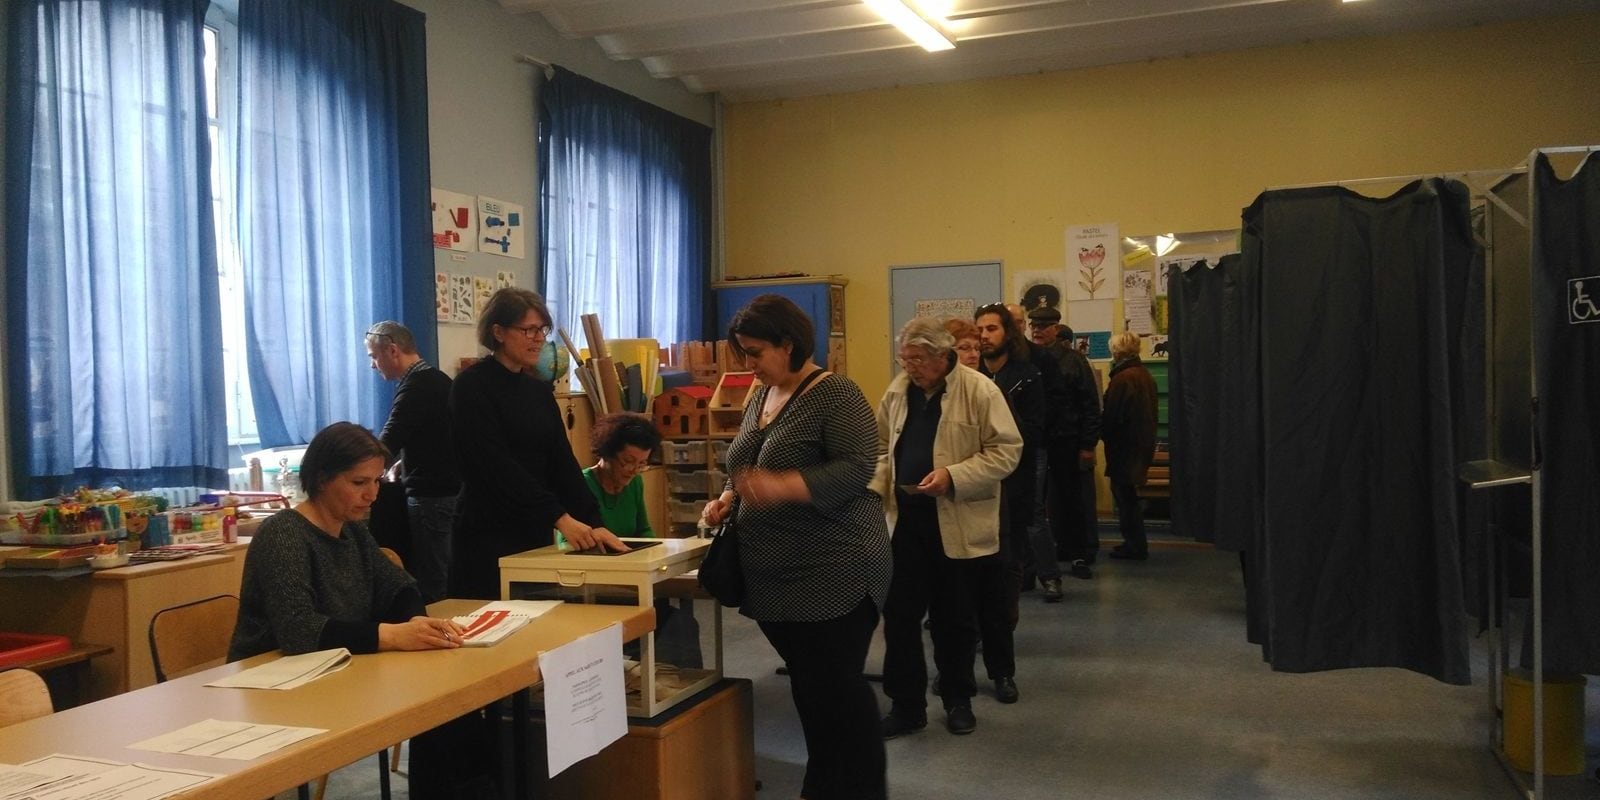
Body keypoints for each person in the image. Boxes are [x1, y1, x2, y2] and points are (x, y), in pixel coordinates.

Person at [229, 422, 494, 798]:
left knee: (452, 709)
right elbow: (299, 630)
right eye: (358, 483)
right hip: (274, 688)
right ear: (322, 479)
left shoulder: (351, 530)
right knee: (444, 716)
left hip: (335, 670)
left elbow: (399, 585)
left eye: (376, 481)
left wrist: (417, 621)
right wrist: (393, 635)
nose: (372, 495)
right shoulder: (283, 534)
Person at [700, 294, 890, 800]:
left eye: (755, 352)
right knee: (811, 690)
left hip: (835, 570)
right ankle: (824, 786)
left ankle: (858, 791)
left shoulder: (836, 394)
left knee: (838, 693)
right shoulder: (762, 396)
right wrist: (727, 497)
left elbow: (857, 467)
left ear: (788, 344)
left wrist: (783, 486)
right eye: (743, 352)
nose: (748, 364)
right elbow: (745, 463)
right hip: (776, 577)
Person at [875, 317, 1021, 739]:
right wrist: (875, 488)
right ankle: (906, 706)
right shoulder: (897, 391)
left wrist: (953, 476)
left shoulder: (980, 390)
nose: (909, 367)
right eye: (904, 359)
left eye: (917, 359)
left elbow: (1006, 451)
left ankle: (958, 700)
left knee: (954, 618)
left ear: (942, 356)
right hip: (906, 524)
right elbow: (880, 448)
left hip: (956, 519)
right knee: (899, 617)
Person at [448, 288, 625, 600]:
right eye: (528, 330)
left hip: (533, 530)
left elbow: (561, 462)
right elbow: (494, 466)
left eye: (542, 329)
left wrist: (593, 521)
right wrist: (559, 517)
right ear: (498, 332)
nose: (538, 339)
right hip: (487, 532)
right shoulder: (471, 387)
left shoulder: (538, 392)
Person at [580, 412, 702, 667]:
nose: (634, 470)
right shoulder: (582, 484)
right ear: (607, 453)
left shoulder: (634, 484)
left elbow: (643, 531)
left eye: (642, 464)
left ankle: (672, 680)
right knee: (670, 624)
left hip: (632, 581)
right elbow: (568, 545)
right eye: (628, 462)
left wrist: (657, 555)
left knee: (683, 623)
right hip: (595, 588)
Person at [973, 304, 1043, 701]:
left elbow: (1034, 431)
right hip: (972, 492)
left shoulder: (1027, 376)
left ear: (1007, 333)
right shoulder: (969, 379)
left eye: (991, 329)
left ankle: (1002, 668)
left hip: (1012, 487)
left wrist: (1002, 427)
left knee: (1004, 574)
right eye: (979, 330)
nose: (984, 336)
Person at [365, 320, 460, 604]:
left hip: (432, 497)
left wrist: (359, 472)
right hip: (450, 492)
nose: (373, 365)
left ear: (392, 350)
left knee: (433, 584)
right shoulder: (438, 379)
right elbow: (434, 437)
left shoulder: (415, 387)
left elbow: (389, 441)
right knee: (445, 575)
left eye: (374, 356)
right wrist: (402, 463)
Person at [1027, 308, 1103, 582]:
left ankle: (1079, 554)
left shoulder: (1074, 360)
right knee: (1036, 503)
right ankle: (1046, 554)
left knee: (1071, 500)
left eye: (1044, 326)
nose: (1038, 330)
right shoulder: (1027, 359)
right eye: (1034, 326)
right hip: (1038, 442)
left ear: (1056, 329)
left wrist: (1087, 444)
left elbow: (1089, 405)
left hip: (1067, 441)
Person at [1102, 331, 1158, 560]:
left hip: (1125, 447)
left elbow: (1113, 415)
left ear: (1117, 350)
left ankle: (1134, 545)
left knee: (1125, 498)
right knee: (1129, 497)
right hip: (1140, 444)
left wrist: (1101, 432)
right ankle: (1135, 543)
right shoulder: (1144, 375)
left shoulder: (1123, 379)